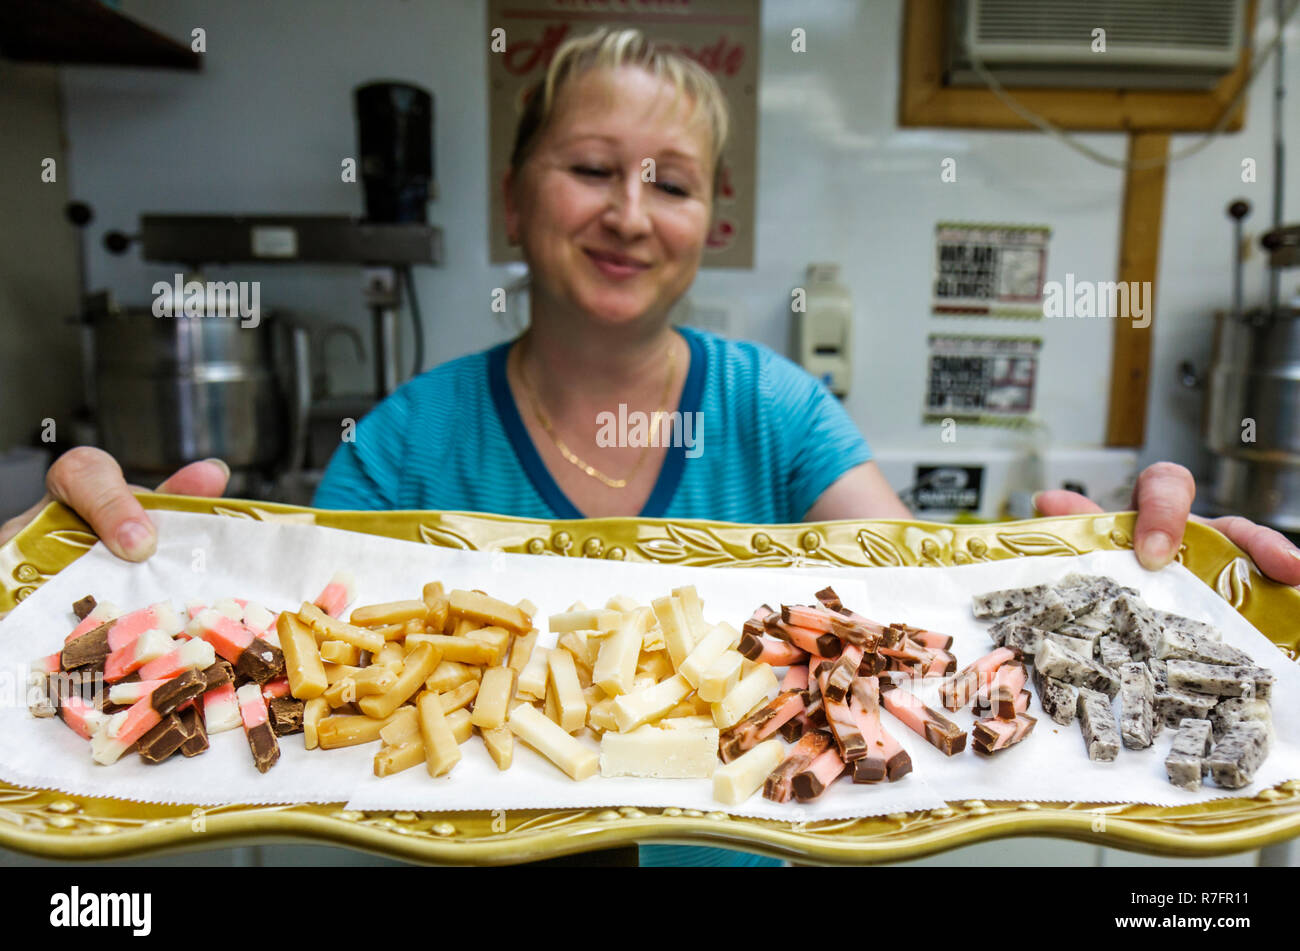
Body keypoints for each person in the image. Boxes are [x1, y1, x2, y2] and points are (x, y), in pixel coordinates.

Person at [4, 29, 1299, 866]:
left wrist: (1117, 585)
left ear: (706, 223)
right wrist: (116, 586)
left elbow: (922, 598)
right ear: (519, 197)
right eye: (590, 170)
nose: (630, 214)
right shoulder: (403, 442)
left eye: (672, 182)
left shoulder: (777, 414)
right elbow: (297, 651)